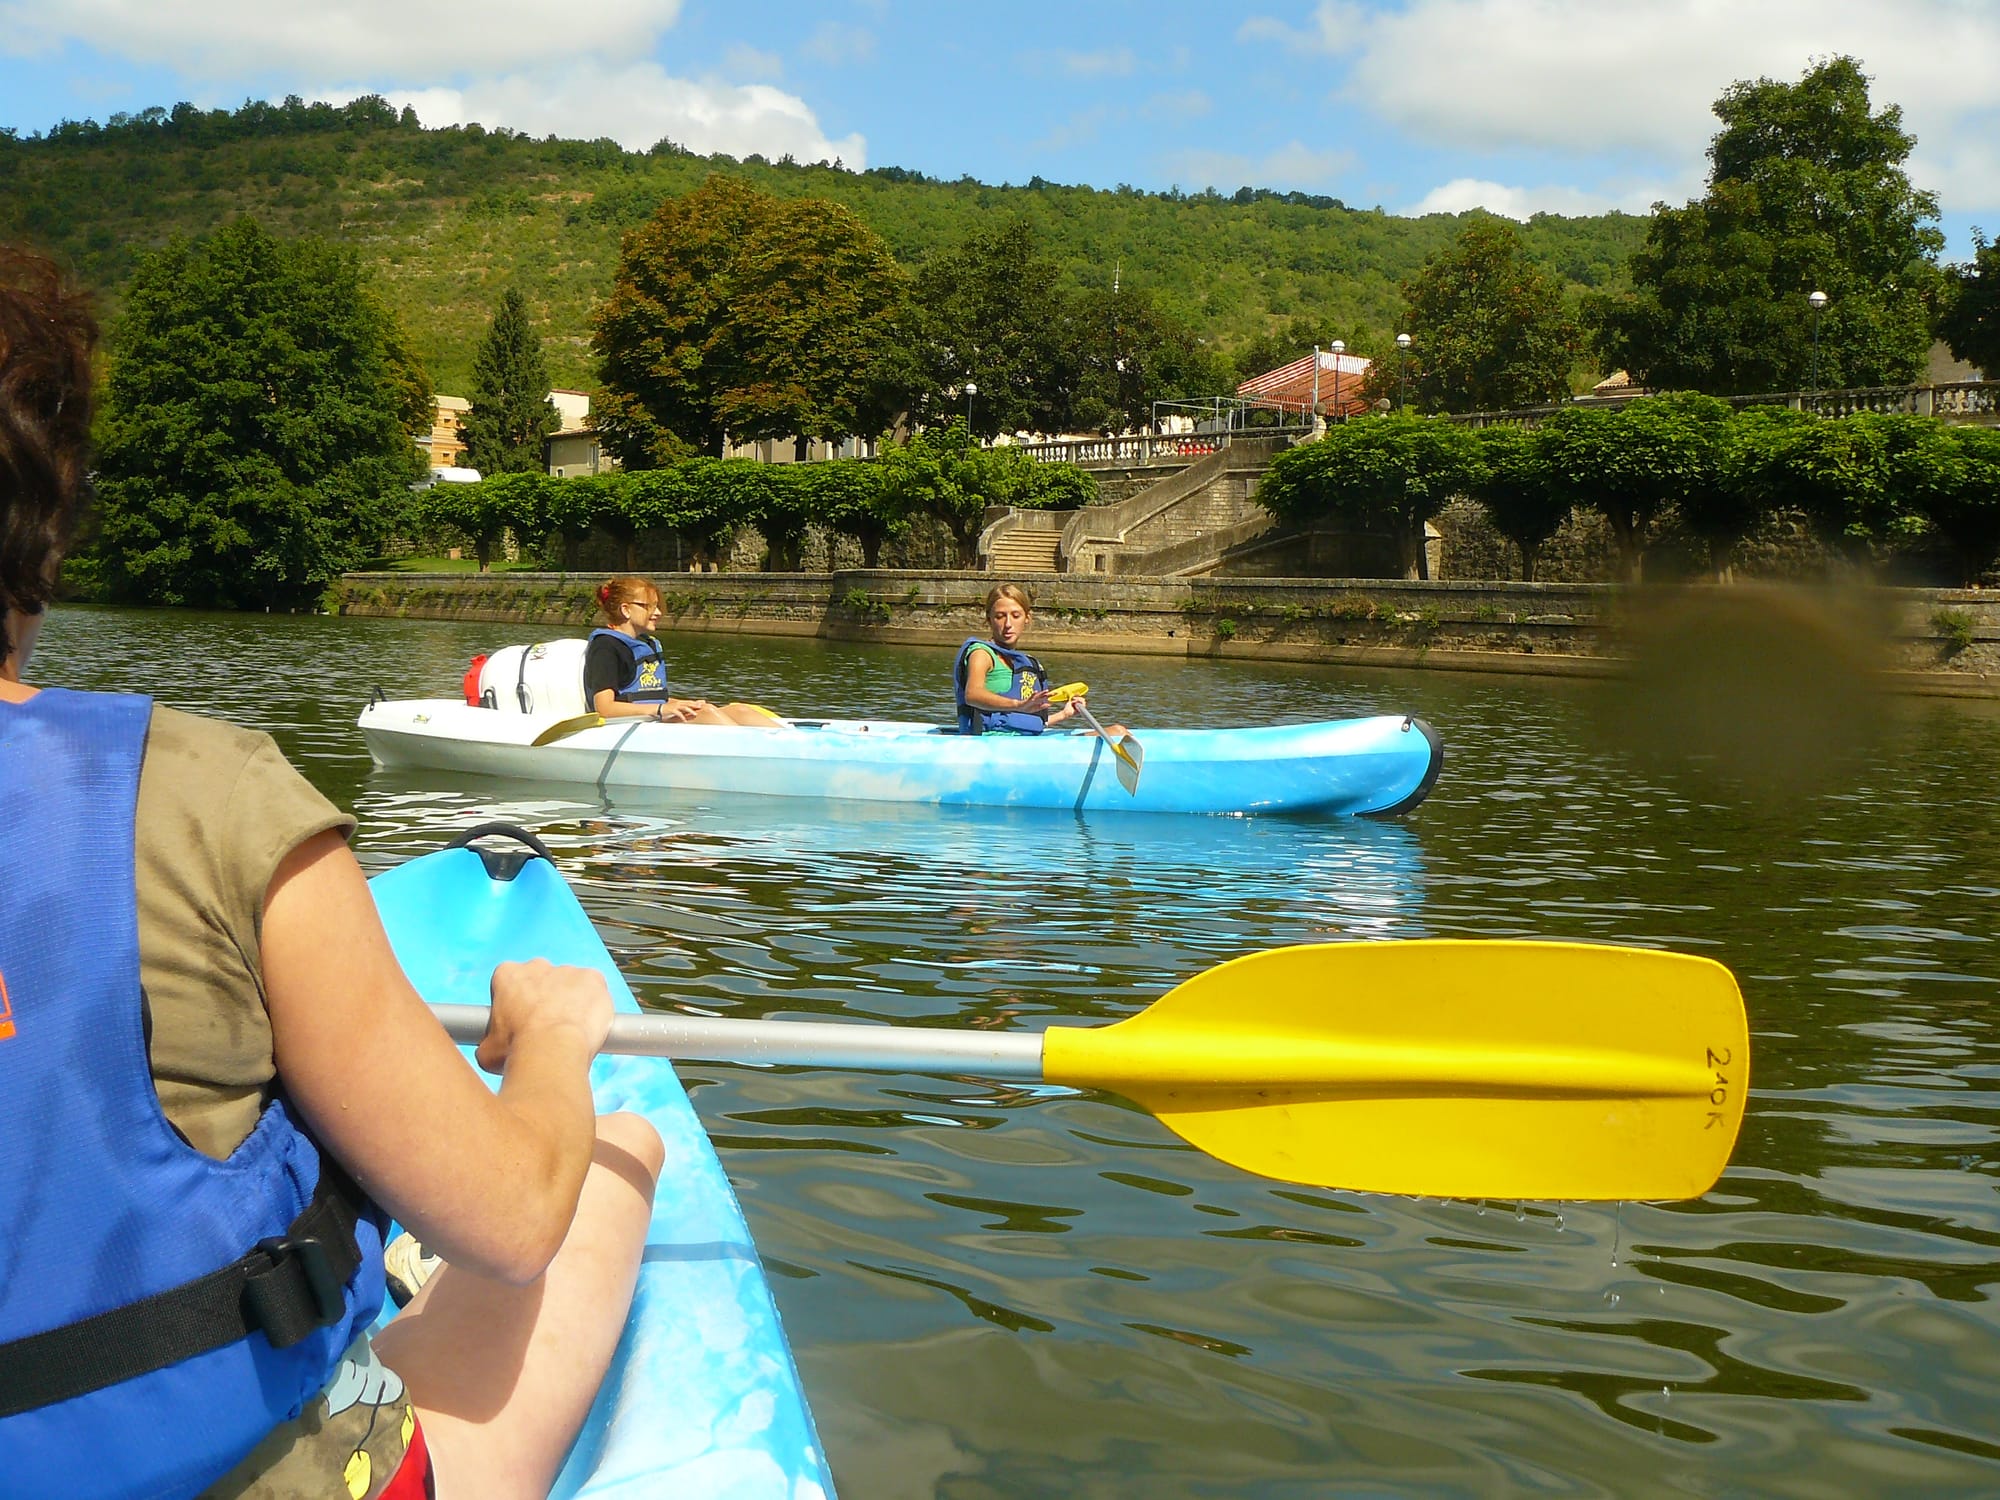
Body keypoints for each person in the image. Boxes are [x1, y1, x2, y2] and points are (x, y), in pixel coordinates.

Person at [0, 246, 663, 1500]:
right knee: (618, 1158)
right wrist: (553, 1045)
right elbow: (515, 1222)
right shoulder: (200, 799)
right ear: (49, 514)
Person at [585, 575, 776, 726]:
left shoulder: (646, 644)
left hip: (650, 718)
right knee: (708, 714)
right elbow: (604, 708)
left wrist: (681, 704)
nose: (658, 613)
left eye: (657, 606)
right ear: (626, 610)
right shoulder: (606, 647)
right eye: (649, 607)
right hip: (627, 725)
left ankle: (793, 746)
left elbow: (648, 696)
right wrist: (661, 709)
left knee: (739, 710)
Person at [955, 583, 1127, 740]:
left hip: (1022, 741)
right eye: (1000, 616)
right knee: (1118, 733)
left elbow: (1024, 721)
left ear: (1027, 618)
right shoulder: (981, 653)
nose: (1008, 624)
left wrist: (1064, 714)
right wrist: (1019, 704)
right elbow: (972, 695)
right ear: (989, 619)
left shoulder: (1025, 663)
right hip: (994, 742)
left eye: (1016, 616)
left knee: (1118, 731)